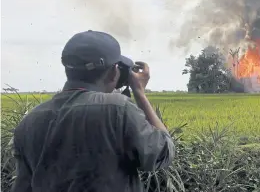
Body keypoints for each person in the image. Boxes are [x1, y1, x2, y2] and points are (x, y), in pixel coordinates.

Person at [11, 30, 175, 192]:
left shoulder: (29, 121)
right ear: (113, 73)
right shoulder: (118, 109)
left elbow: (23, 186)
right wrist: (139, 93)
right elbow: (163, 152)